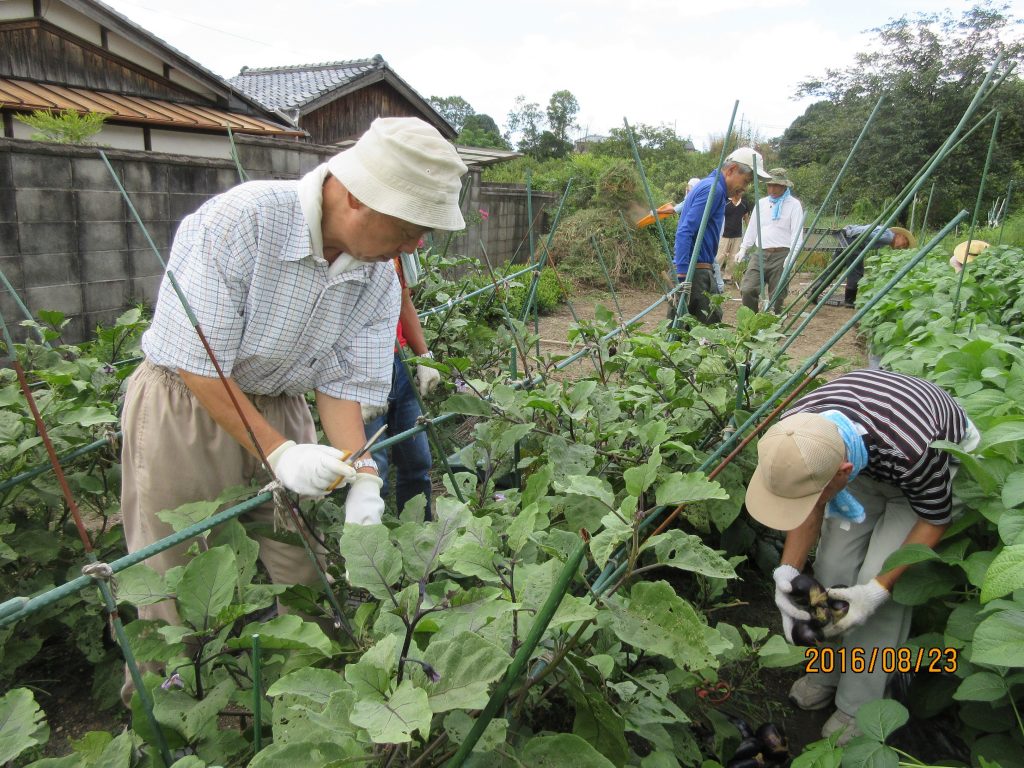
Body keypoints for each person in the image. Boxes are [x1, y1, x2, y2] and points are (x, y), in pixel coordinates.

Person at [118, 117, 468, 705]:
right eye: (410, 227)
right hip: (186, 400)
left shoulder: (376, 276)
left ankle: (309, 700)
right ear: (357, 196)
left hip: (282, 403)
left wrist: (362, 473)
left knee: (300, 559)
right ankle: (162, 715)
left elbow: (343, 383)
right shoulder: (242, 222)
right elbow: (197, 362)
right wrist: (277, 452)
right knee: (169, 573)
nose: (414, 247)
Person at [744, 369, 979, 745]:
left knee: (878, 583)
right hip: (865, 458)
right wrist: (786, 574)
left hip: (927, 467)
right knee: (831, 569)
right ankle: (828, 672)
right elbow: (807, 503)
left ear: (842, 475)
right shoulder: (798, 435)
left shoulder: (913, 450)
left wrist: (873, 593)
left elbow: (935, 519)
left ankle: (859, 706)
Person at [362, 254, 440, 515]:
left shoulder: (393, 251)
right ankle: (375, 547)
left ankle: (421, 540)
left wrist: (424, 357)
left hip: (399, 363)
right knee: (374, 472)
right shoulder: (348, 252)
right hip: (361, 370)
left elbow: (404, 302)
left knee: (418, 461)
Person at [672, 147, 771, 323]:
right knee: (708, 331)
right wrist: (683, 276)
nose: (745, 188)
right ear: (732, 169)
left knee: (683, 331)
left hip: (698, 268)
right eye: (746, 181)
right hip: (696, 271)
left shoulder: (709, 185)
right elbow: (685, 230)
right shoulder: (714, 190)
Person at [736, 168, 803, 313]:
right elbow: (752, 228)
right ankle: (751, 323)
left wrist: (793, 254)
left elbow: (797, 233)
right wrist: (743, 248)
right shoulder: (762, 204)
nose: (772, 188)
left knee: (777, 296)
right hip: (760, 253)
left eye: (776, 185)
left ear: (784, 186)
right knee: (747, 289)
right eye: (769, 185)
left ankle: (774, 327)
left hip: (782, 254)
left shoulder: (794, 205)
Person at [810, 225, 915, 307]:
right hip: (855, 242)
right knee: (856, 271)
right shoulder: (888, 237)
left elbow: (862, 228)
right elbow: (866, 233)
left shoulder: (885, 234)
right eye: (904, 243)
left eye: (905, 247)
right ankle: (849, 301)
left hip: (847, 239)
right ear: (899, 236)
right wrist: (848, 232)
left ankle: (814, 293)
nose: (902, 247)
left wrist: (847, 232)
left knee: (833, 269)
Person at [717, 191, 751, 277]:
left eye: (740, 192)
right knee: (720, 256)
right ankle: (715, 275)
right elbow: (718, 216)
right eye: (737, 192)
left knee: (733, 257)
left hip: (738, 235)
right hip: (724, 234)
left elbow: (746, 217)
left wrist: (749, 230)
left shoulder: (744, 204)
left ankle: (728, 277)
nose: (739, 194)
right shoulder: (726, 203)